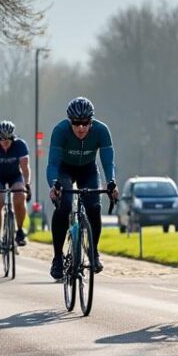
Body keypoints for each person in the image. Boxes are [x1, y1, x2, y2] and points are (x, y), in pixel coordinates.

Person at [46, 96, 118, 280]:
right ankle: (57, 258)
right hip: (64, 170)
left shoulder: (102, 131)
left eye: (85, 123)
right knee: (65, 205)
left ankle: (93, 253)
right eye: (76, 123)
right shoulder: (60, 130)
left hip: (88, 170)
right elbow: (52, 163)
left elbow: (108, 162)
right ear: (70, 121)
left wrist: (111, 182)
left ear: (91, 122)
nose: (80, 128)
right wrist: (54, 184)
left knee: (94, 206)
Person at [0, 120, 31, 254]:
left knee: (20, 197)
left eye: (8, 139)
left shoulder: (20, 145)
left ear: (13, 136)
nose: (5, 141)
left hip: (14, 176)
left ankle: (20, 229)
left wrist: (27, 184)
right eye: (2, 139)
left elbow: (25, 167)